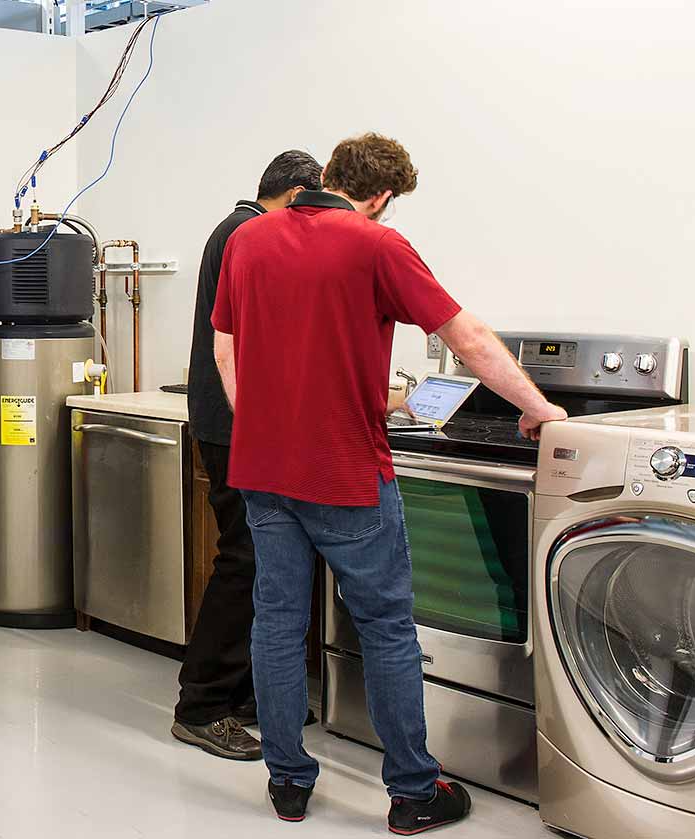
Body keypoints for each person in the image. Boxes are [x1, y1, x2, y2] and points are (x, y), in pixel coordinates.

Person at [210, 133, 566, 833]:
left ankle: (287, 782)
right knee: (385, 627)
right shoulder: (376, 244)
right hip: (345, 472)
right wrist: (539, 407)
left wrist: (260, 423)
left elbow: (226, 347)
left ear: (329, 173)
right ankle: (412, 791)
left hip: (263, 470)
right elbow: (467, 338)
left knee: (277, 622)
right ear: (382, 197)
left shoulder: (247, 240)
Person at [173, 150, 323, 763]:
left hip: (230, 420)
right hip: (234, 423)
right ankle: (201, 705)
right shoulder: (247, 233)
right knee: (244, 559)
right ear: (295, 195)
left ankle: (242, 693)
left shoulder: (234, 229)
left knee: (259, 561)